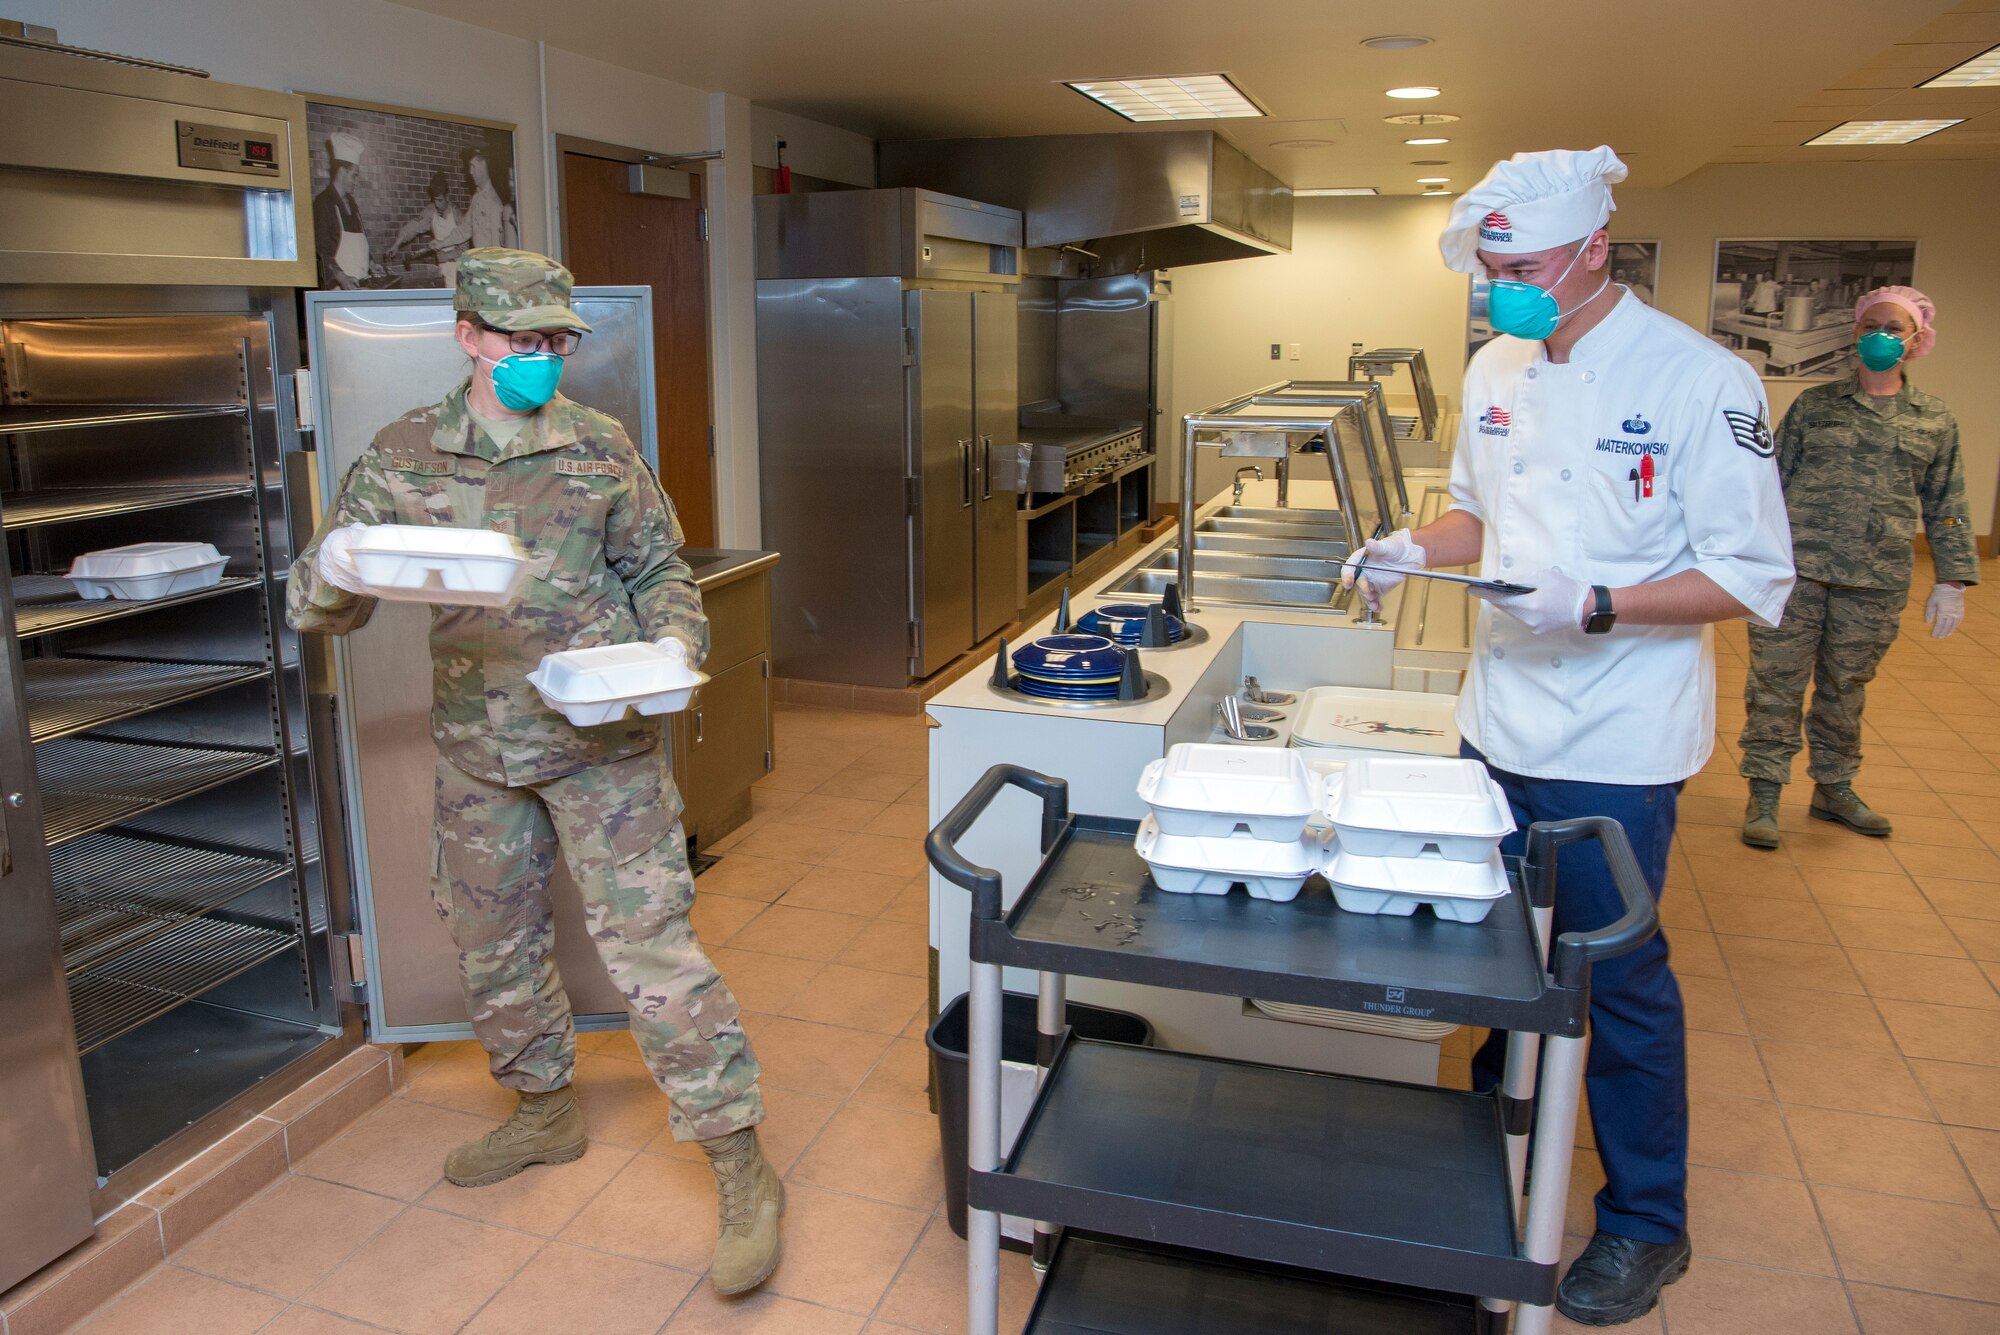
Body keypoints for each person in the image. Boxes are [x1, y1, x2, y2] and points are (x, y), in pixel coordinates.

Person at [1343, 147, 1795, 1325]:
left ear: (1597, 248)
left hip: (1616, 739)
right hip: (1497, 720)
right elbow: (1473, 513)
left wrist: (1594, 604)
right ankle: (1501, 1146)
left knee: (1614, 977)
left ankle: (1646, 1223)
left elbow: (1749, 578)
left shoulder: (1702, 381)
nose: (1505, 288)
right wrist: (1409, 550)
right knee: (1496, 954)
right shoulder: (1496, 362)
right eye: (1491, 269)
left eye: (1526, 266)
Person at [287, 248, 781, 1297]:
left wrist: (675, 653)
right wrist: (332, 575)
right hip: (478, 744)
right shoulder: (405, 453)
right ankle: (544, 1110)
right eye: (520, 341)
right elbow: (331, 594)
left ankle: (739, 1161)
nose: (541, 359)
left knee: (653, 950)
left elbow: (655, 567)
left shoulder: (598, 445)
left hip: (600, 738)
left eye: (556, 341)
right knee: (490, 940)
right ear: (468, 336)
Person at [1737, 286, 1977, 847]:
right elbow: (1768, 484)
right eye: (1871, 325)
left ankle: (1834, 788)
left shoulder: (1933, 419)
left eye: (1894, 327)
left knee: (1846, 687)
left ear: (1916, 340)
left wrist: (1951, 579)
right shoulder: (1815, 406)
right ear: (1852, 332)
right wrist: (1749, 557)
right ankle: (1765, 794)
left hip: (1875, 581)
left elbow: (1948, 501)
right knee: (1775, 684)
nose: (1880, 336)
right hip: (1795, 574)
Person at [391, 168, 472, 288]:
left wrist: (447, 255)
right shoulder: (431, 211)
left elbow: (465, 249)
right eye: (435, 201)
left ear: (447, 197)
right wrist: (396, 244)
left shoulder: (457, 214)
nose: (437, 205)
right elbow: (413, 226)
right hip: (442, 267)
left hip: (459, 267)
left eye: (440, 200)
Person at [312, 132, 372, 289]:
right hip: (337, 289)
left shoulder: (351, 203)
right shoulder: (323, 202)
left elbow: (359, 243)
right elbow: (322, 251)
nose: (356, 182)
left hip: (359, 285)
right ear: (342, 171)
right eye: (354, 175)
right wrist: (341, 277)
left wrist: (371, 262)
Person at [464, 145, 508, 250]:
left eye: (472, 166)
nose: (470, 172)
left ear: (483, 165)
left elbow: (497, 248)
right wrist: (441, 243)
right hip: (478, 261)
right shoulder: (476, 197)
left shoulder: (493, 202)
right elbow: (464, 229)